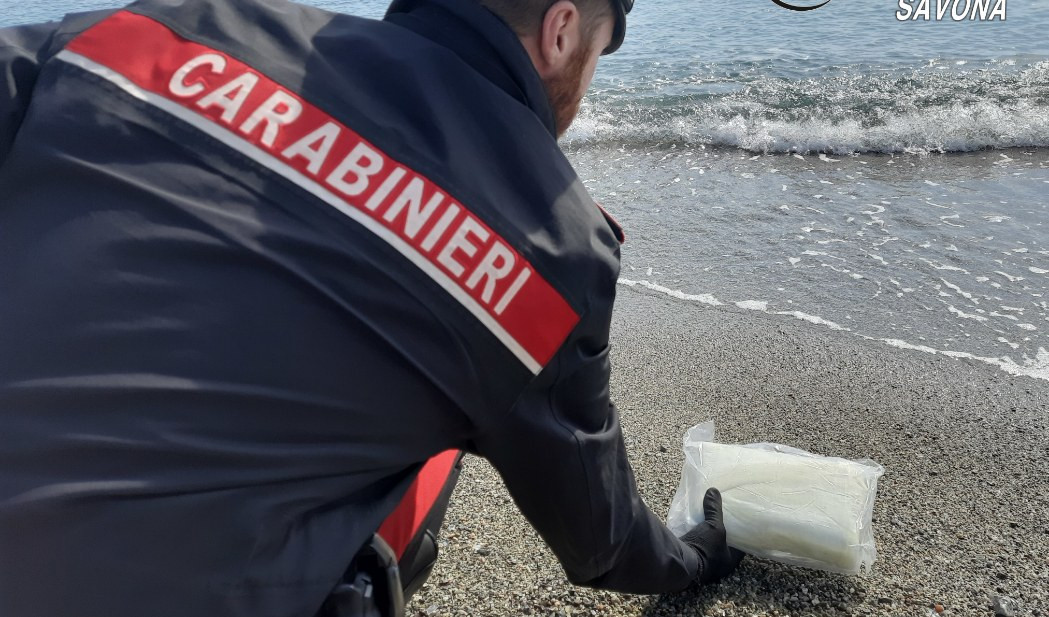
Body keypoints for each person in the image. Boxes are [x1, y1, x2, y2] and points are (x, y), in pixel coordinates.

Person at [0, 0, 743, 615]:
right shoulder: (553, 249)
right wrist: (694, 556)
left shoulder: (149, 29)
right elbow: (601, 542)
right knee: (458, 408)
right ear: (560, 31)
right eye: (596, 53)